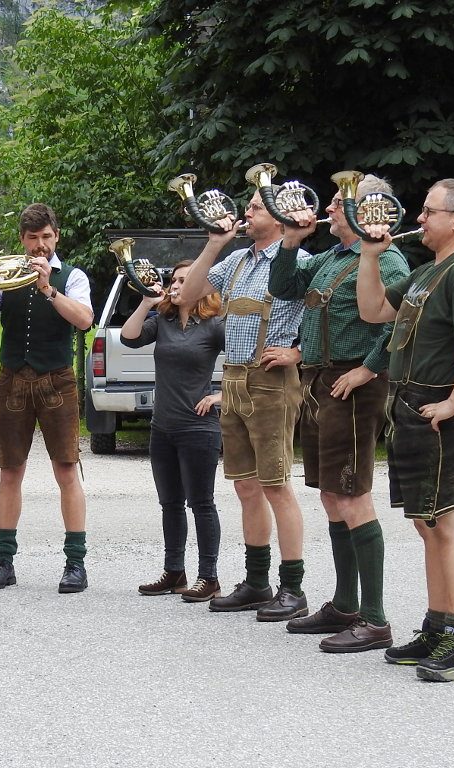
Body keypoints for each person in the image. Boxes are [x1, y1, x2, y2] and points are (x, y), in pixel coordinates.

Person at [356, 179, 454, 682]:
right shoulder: (428, 271)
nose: (418, 219)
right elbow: (373, 311)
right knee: (427, 522)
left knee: (448, 521)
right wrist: (370, 256)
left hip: (439, 407)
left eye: (427, 211)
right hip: (414, 405)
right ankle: (438, 626)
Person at [268, 175, 410, 653]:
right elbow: (283, 286)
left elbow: (402, 322)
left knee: (352, 498)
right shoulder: (328, 260)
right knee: (332, 496)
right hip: (321, 383)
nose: (325, 210)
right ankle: (346, 604)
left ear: (362, 211)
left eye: (334, 203)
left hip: (352, 385)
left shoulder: (386, 258)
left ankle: (374, 619)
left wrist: (368, 371)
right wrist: (290, 238)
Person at [175, 187, 309, 621]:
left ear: (278, 213)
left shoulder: (300, 262)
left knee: (275, 485)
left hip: (271, 382)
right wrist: (215, 242)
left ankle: (292, 588)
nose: (245, 212)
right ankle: (256, 582)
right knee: (245, 485)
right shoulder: (236, 260)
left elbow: (335, 319)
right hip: (232, 378)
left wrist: (298, 353)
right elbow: (186, 295)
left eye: (253, 206)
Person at [0, 203, 94, 593]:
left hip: (57, 381)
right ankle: (4, 561)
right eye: (33, 239)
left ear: (56, 236)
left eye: (46, 238)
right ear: (22, 240)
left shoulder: (73, 276)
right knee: (9, 470)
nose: (40, 246)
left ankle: (76, 564)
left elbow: (84, 320)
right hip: (13, 380)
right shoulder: (7, 277)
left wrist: (48, 289)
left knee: (66, 470)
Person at [121, 260, 225, 602]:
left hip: (199, 428)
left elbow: (247, 360)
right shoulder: (161, 322)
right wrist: (147, 302)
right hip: (162, 427)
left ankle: (208, 577)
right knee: (170, 504)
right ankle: (174, 571)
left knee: (202, 503)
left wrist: (222, 395)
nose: (178, 285)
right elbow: (128, 338)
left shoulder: (214, 325)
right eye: (175, 280)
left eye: (185, 280)